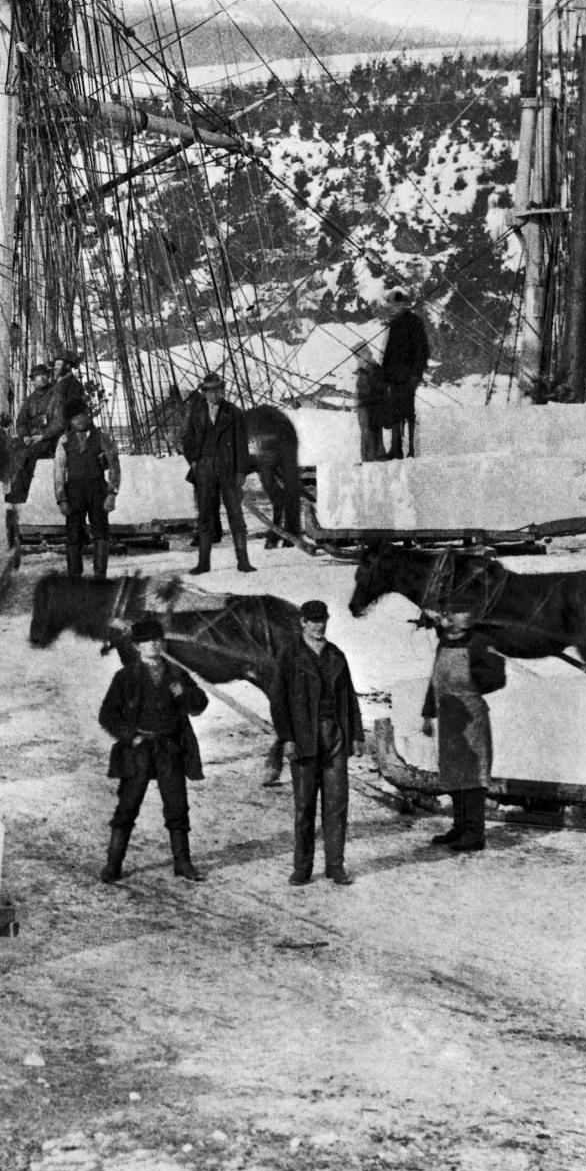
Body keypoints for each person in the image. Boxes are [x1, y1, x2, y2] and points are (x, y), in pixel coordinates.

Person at [97, 618, 210, 884]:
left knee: (177, 807)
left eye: (158, 640)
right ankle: (113, 864)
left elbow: (198, 704)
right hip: (139, 751)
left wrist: (182, 691)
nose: (154, 645)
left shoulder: (175, 673)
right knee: (127, 807)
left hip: (170, 748)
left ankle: (183, 863)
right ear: (137, 646)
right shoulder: (126, 677)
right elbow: (107, 715)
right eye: (147, 642)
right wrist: (131, 737)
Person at [268, 601, 363, 887]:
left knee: (336, 805)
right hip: (304, 738)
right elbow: (278, 701)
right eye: (313, 620)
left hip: (334, 736)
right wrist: (287, 738)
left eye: (322, 620)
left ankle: (335, 866)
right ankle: (303, 867)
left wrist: (356, 735)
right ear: (302, 623)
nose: (319, 625)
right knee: (305, 806)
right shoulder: (289, 655)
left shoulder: (336, 655)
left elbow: (350, 698)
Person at [421, 608, 506, 853]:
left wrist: (470, 678)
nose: (466, 615)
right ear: (448, 618)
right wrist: (428, 714)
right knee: (453, 771)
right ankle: (459, 827)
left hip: (471, 718)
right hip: (448, 718)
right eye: (459, 612)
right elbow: (435, 679)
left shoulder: (481, 642)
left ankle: (474, 833)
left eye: (469, 611)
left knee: (473, 773)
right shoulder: (444, 643)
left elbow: (497, 677)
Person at [181, 372, 253, 576]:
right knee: (205, 515)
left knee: (235, 515)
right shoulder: (196, 413)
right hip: (204, 469)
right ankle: (203, 563)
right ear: (203, 393)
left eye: (217, 391)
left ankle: (243, 561)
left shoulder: (234, 412)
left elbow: (241, 445)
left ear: (222, 390)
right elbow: (188, 441)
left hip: (228, 469)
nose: (214, 395)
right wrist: (195, 462)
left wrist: (241, 472)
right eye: (209, 391)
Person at [54, 395, 120, 583]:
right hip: (74, 491)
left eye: (83, 416)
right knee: (73, 532)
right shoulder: (64, 441)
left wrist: (112, 494)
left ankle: (100, 575)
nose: (80, 420)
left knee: (100, 530)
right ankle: (75, 576)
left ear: (88, 415)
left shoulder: (102, 438)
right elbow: (58, 472)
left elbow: (115, 466)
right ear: (70, 421)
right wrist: (62, 498)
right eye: (75, 418)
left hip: (98, 488)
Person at [380, 289, 432, 459]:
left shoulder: (413, 322)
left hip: (407, 377)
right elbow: (389, 353)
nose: (392, 309)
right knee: (396, 411)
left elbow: (422, 351)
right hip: (394, 377)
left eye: (394, 305)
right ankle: (397, 449)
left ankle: (411, 449)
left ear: (402, 305)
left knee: (408, 412)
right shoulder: (396, 323)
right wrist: (385, 374)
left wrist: (415, 375)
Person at [6, 363, 65, 504]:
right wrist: (25, 435)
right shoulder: (30, 400)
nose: (42, 378)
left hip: (50, 439)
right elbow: (21, 422)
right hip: (32, 438)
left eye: (45, 375)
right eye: (38, 376)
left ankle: (19, 494)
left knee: (28, 453)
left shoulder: (56, 395)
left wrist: (43, 436)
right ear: (33, 380)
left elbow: (59, 422)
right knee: (13, 448)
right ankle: (12, 490)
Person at [354, 354, 387, 465]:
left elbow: (367, 391)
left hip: (367, 407)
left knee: (368, 432)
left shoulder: (370, 371)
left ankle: (370, 459)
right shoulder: (374, 369)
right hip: (370, 406)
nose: (357, 359)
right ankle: (375, 457)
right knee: (372, 431)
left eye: (357, 357)